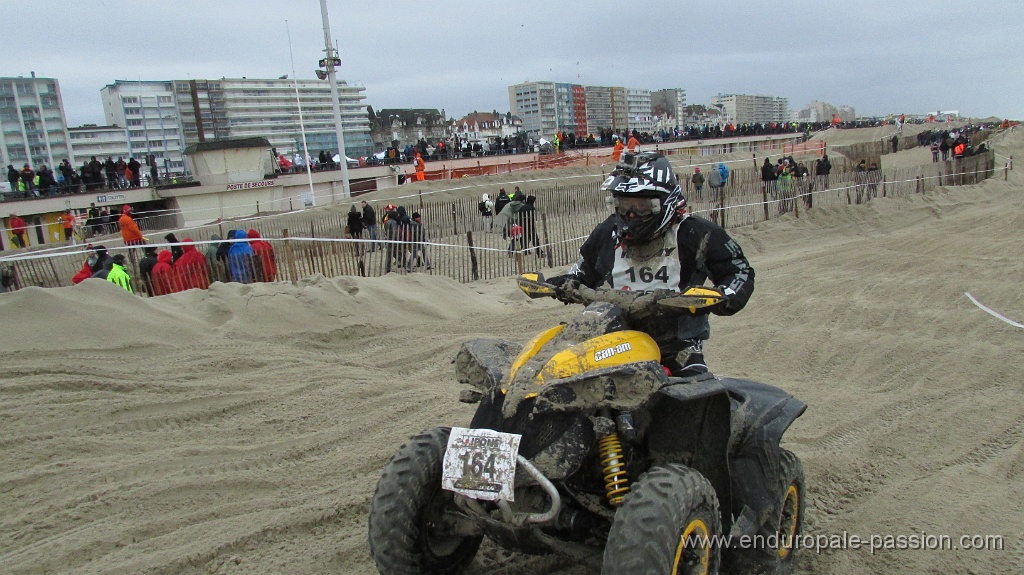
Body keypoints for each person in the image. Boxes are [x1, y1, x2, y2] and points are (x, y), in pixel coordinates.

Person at [547, 151, 754, 377]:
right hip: (615, 333)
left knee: (695, 394)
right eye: (624, 205)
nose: (632, 214)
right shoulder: (607, 233)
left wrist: (724, 295)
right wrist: (568, 282)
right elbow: (584, 269)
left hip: (677, 342)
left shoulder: (695, 233)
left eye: (642, 206)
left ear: (665, 203)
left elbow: (738, 269)